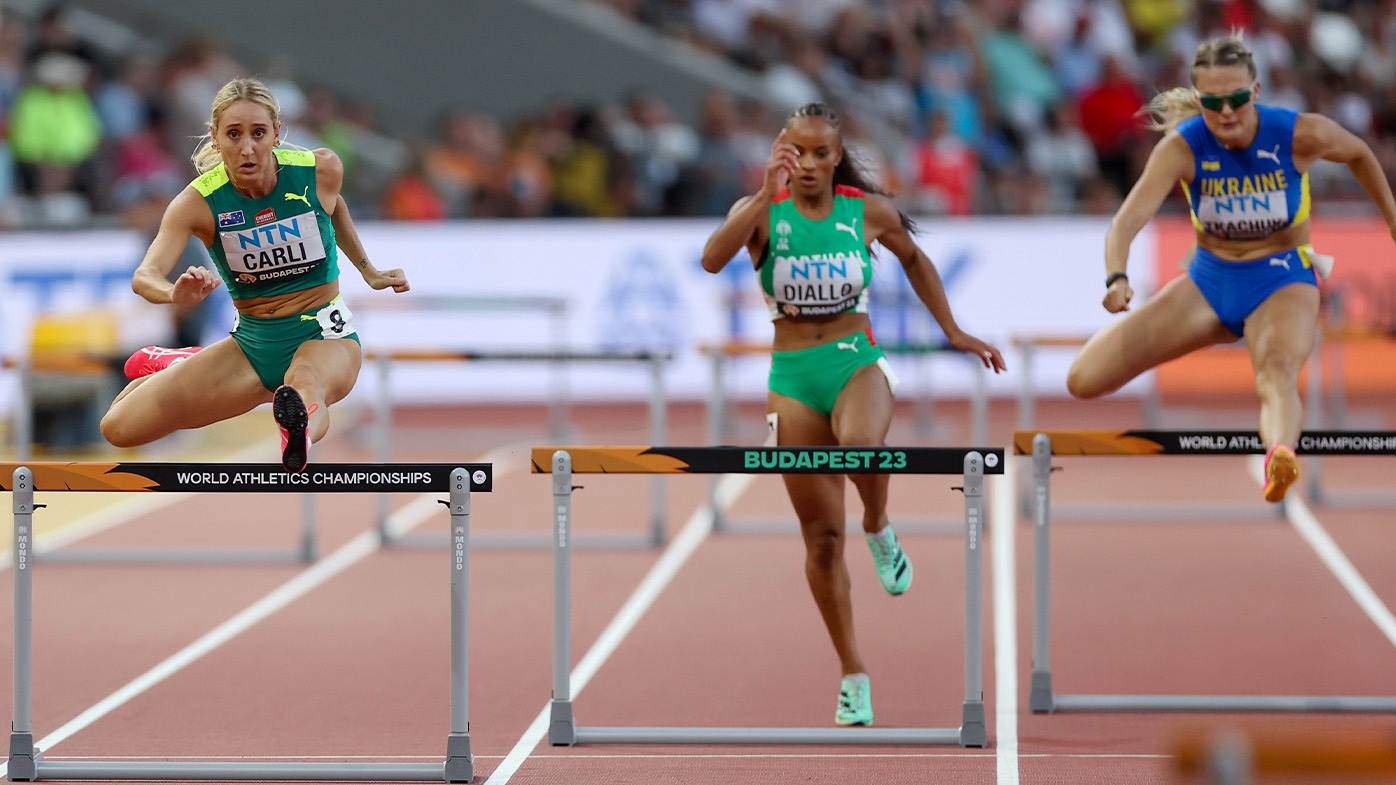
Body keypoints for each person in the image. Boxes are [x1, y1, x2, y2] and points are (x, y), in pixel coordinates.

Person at [699, 101, 1005, 727]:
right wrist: (763, 192)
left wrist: (953, 330)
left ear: (837, 158)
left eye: (819, 153)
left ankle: (880, 523)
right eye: (797, 151)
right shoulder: (761, 215)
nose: (807, 164)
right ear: (782, 150)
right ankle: (852, 671)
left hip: (854, 361)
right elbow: (711, 259)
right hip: (791, 379)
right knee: (820, 542)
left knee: (860, 444)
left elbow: (916, 260)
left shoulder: (865, 214)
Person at [1066, 34, 1396, 504]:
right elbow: (1124, 222)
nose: (1226, 113)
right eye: (1213, 103)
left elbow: (1360, 153)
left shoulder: (1297, 133)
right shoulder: (1183, 147)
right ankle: (1218, 334)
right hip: (1209, 282)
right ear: (1198, 100)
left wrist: (1391, 215)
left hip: (1282, 278)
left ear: (1256, 92)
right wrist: (1115, 276)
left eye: (1238, 100)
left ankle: (1279, 455)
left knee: (1277, 371)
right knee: (1083, 380)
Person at [99, 77, 409, 471]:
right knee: (118, 428)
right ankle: (181, 362)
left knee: (305, 383)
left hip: (324, 337)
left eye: (258, 133)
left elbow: (334, 206)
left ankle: (295, 434)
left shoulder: (321, 169)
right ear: (215, 137)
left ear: (277, 134)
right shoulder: (196, 202)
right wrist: (173, 293)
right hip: (251, 348)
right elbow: (145, 275)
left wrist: (369, 271)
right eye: (233, 134)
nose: (247, 148)